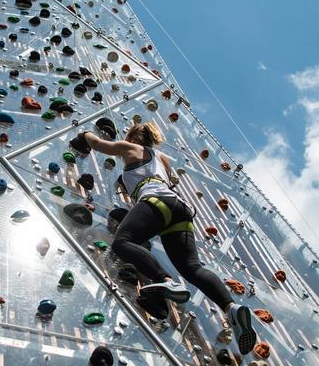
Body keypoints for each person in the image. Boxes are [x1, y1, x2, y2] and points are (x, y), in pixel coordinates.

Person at [69, 122, 259, 354]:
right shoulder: (162, 159)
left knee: (122, 242)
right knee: (192, 267)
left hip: (154, 200)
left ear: (133, 137)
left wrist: (83, 133)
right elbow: (169, 180)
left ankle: (165, 279)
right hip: (179, 210)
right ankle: (230, 308)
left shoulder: (130, 148)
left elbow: (98, 144)